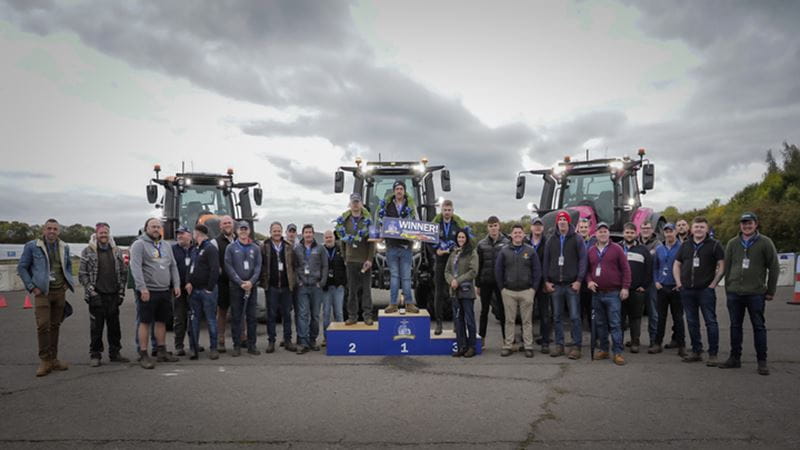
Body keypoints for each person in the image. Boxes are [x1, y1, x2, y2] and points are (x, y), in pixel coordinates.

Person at [719, 212, 779, 376]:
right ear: (740, 225)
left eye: (749, 223)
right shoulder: (732, 243)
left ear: (756, 224)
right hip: (734, 293)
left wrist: (771, 290)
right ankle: (734, 358)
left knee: (758, 326)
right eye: (744, 223)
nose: (746, 226)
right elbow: (727, 267)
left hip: (755, 293)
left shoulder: (765, 242)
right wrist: (728, 288)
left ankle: (762, 361)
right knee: (735, 326)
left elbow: (774, 267)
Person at [17, 218, 75, 377]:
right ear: (43, 230)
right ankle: (45, 360)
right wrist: (31, 287)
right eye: (49, 228)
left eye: (55, 229)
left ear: (59, 231)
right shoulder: (32, 246)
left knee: (55, 325)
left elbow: (68, 265)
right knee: (43, 325)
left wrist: (66, 283)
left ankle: (54, 359)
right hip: (42, 293)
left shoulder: (64, 246)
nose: (52, 231)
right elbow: (22, 267)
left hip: (59, 292)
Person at [129, 218, 181, 369]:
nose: (156, 229)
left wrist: (176, 284)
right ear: (146, 228)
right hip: (148, 291)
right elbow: (135, 267)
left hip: (164, 290)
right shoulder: (139, 245)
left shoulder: (166, 245)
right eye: (153, 226)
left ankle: (161, 351)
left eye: (158, 226)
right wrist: (142, 287)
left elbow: (173, 266)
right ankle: (143, 353)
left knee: (161, 321)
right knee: (145, 322)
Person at [673, 216, 725, 366]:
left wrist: (714, 284)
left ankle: (713, 354)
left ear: (707, 229)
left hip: (705, 290)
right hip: (687, 290)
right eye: (696, 227)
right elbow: (676, 264)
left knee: (710, 321)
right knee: (691, 321)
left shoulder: (715, 245)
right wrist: (679, 283)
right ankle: (696, 351)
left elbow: (722, 265)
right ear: (692, 229)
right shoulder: (685, 245)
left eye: (702, 227)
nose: (699, 229)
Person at [78, 222, 129, 367]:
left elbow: (123, 272)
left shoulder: (116, 251)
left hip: (113, 295)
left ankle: (115, 353)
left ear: (109, 234)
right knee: (96, 328)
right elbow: (82, 274)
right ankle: (95, 354)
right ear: (96, 234)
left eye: (106, 232)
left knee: (114, 327)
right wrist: (91, 292)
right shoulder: (88, 251)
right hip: (97, 295)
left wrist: (121, 293)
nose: (103, 235)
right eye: (101, 232)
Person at [542, 211, 587, 359]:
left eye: (564, 219)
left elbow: (583, 260)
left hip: (571, 285)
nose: (562, 222)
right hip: (555, 285)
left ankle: (576, 346)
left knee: (574, 317)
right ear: (557, 222)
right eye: (559, 220)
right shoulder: (551, 240)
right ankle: (559, 345)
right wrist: (546, 281)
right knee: (557, 317)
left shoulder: (577, 239)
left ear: (568, 222)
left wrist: (579, 280)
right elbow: (546, 261)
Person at [586, 222, 631, 366]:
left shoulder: (617, 249)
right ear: (596, 234)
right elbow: (587, 271)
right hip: (597, 293)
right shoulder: (591, 251)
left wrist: (625, 287)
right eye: (600, 231)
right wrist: (589, 281)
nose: (603, 234)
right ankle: (604, 349)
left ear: (608, 233)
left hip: (613, 293)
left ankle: (617, 352)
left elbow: (626, 269)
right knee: (600, 324)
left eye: (605, 231)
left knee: (615, 324)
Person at [495, 224, 541, 358]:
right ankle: (508, 345)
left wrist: (533, 289)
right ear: (511, 235)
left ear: (523, 235)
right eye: (515, 233)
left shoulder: (530, 251)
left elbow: (537, 271)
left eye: (520, 233)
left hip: (527, 291)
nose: (517, 235)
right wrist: (502, 288)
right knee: (509, 320)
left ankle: (528, 346)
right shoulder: (504, 251)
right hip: (509, 292)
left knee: (527, 321)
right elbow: (498, 270)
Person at [380, 180, 419, 314]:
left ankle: (409, 303)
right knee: (394, 276)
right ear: (394, 191)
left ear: (404, 191)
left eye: (401, 189)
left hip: (406, 246)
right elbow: (381, 222)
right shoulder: (387, 206)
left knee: (406, 276)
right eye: (397, 189)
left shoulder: (410, 206)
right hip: (391, 246)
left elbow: (416, 222)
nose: (399, 191)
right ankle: (393, 304)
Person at [224, 221, 262, 356]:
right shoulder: (231, 248)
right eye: (241, 229)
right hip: (236, 287)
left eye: (246, 229)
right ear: (237, 231)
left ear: (249, 231)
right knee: (236, 317)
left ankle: (252, 345)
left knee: (252, 317)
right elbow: (228, 266)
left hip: (251, 287)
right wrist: (240, 282)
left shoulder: (255, 248)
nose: (243, 231)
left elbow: (258, 267)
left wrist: (251, 282)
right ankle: (237, 345)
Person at [337, 194, 375, 326]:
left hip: (364, 261)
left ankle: (367, 316)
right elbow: (342, 240)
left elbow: (372, 242)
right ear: (350, 204)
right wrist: (345, 256)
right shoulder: (344, 220)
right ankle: (352, 316)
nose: (355, 204)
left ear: (361, 204)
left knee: (366, 291)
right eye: (353, 202)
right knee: (351, 291)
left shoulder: (368, 220)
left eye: (357, 202)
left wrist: (369, 259)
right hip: (351, 260)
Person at [431, 199, 467, 334]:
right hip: (440, 261)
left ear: (453, 211)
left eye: (449, 210)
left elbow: (463, 241)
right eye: (445, 210)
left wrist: (457, 251)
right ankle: (438, 324)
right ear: (441, 211)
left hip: (454, 262)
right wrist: (436, 251)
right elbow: (428, 240)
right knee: (439, 293)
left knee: (454, 292)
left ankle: (456, 324)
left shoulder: (457, 225)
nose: (447, 212)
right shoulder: (436, 225)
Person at [260, 221, 297, 353]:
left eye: (278, 231)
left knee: (287, 315)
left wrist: (293, 281)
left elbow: (294, 265)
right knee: (271, 315)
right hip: (272, 286)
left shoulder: (288, 246)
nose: (276, 233)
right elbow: (261, 265)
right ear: (270, 232)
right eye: (274, 231)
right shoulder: (264, 246)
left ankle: (288, 340)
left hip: (286, 286)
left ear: (282, 232)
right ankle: (271, 341)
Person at [651, 223, 686, 356]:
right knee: (661, 317)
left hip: (676, 287)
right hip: (662, 287)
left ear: (675, 232)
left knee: (678, 318)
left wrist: (680, 282)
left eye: (671, 231)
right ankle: (657, 343)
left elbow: (685, 266)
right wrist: (656, 281)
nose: (669, 234)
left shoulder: (682, 247)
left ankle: (681, 345)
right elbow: (655, 267)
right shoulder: (659, 249)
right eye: (666, 232)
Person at [187, 224, 220, 360]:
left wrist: (209, 288)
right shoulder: (194, 249)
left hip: (207, 291)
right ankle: (193, 349)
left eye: (193, 233)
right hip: (194, 291)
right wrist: (188, 282)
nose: (192, 235)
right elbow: (190, 267)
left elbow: (215, 269)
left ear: (198, 233)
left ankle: (214, 348)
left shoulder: (210, 248)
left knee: (211, 319)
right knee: (194, 320)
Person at [293, 224, 328, 354]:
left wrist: (322, 282)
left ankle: (312, 340)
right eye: (306, 232)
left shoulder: (320, 248)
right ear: (302, 234)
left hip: (316, 286)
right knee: (303, 314)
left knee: (315, 315)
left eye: (310, 232)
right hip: (302, 287)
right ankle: (303, 342)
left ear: (313, 234)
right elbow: (294, 266)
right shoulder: (297, 248)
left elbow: (325, 266)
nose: (308, 234)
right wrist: (298, 281)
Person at [446, 230, 479, 357]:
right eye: (459, 237)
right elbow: (447, 271)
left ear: (467, 238)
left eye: (463, 237)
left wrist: (458, 281)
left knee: (469, 320)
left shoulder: (472, 252)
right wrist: (451, 281)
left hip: (467, 292)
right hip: (455, 292)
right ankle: (462, 347)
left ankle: (472, 347)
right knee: (458, 321)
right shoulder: (453, 253)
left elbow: (473, 271)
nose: (461, 239)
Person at [476, 216, 509, 342]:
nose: (493, 228)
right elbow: (478, 265)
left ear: (499, 226)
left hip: (500, 283)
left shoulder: (506, 243)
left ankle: (506, 339)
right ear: (487, 228)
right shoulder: (481, 244)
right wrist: (477, 284)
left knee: (502, 311)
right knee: (484, 311)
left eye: (495, 225)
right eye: (491, 226)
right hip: (486, 282)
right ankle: (482, 339)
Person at [621, 223, 652, 354]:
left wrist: (644, 285)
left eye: (632, 233)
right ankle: (619, 342)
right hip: (620, 289)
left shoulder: (643, 250)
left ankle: (635, 342)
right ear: (623, 233)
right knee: (620, 317)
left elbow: (649, 269)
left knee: (635, 317)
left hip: (637, 290)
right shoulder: (617, 248)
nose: (629, 235)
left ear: (636, 234)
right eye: (627, 232)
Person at [526, 217, 550, 354]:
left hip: (542, 283)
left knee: (544, 313)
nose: (537, 227)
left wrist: (547, 281)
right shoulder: (525, 243)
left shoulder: (548, 243)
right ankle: (527, 341)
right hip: (528, 283)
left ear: (543, 228)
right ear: (531, 227)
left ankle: (545, 341)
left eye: (540, 225)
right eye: (535, 225)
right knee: (526, 313)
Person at [212, 215, 235, 353]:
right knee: (222, 312)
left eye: (229, 223)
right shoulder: (215, 242)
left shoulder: (239, 239)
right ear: (220, 226)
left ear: (233, 225)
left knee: (240, 312)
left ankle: (242, 338)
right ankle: (221, 340)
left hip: (238, 283)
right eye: (224, 223)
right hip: (223, 283)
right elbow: (214, 262)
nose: (227, 225)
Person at [171, 226, 194, 356]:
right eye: (178, 234)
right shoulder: (172, 250)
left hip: (193, 289)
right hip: (178, 289)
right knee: (179, 317)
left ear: (189, 235)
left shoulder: (195, 249)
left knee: (194, 317)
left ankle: (194, 344)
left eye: (182, 233)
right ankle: (179, 346)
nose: (179, 236)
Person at [321, 230, 347, 344]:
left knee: (339, 313)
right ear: (324, 239)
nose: (328, 239)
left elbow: (346, 267)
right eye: (326, 237)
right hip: (326, 287)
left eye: (330, 237)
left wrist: (343, 282)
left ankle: (341, 337)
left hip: (338, 287)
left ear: (334, 238)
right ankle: (326, 338)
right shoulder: (321, 251)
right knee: (326, 313)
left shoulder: (341, 250)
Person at [638, 221, 660, 351]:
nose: (645, 230)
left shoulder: (658, 244)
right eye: (643, 228)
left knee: (653, 312)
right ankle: (635, 339)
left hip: (651, 283)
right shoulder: (636, 243)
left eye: (648, 228)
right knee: (636, 313)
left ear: (652, 230)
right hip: (638, 282)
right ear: (640, 229)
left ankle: (653, 340)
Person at [576, 217, 595, 334]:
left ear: (589, 228)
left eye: (585, 227)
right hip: (577, 280)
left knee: (591, 309)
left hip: (590, 280)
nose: (583, 229)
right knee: (577, 310)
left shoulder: (594, 242)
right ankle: (577, 335)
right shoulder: (574, 241)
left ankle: (594, 335)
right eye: (581, 227)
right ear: (578, 228)